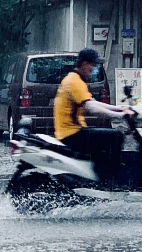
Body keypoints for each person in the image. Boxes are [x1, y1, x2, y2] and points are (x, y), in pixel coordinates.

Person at [54, 48, 133, 182]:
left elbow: (93, 102)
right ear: (84, 64)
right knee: (116, 136)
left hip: (73, 132)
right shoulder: (74, 81)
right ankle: (108, 179)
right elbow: (91, 108)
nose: (94, 68)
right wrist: (120, 116)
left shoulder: (75, 79)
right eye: (93, 65)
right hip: (71, 134)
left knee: (105, 139)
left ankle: (99, 174)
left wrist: (120, 109)